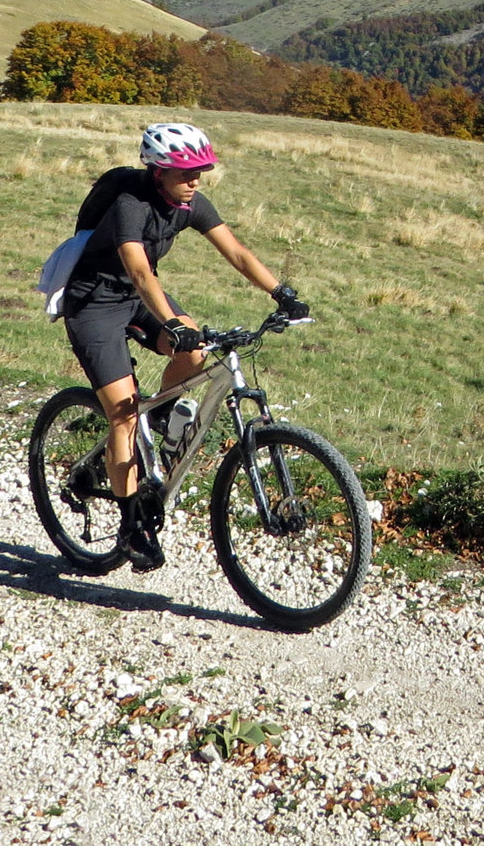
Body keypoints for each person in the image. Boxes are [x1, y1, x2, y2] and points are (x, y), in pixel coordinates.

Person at [61, 121, 308, 571]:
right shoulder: (130, 205)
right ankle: (132, 527)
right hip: (94, 304)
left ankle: (154, 424)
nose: (195, 181)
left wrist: (282, 293)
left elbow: (236, 252)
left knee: (193, 354)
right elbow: (139, 270)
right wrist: (173, 321)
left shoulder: (189, 201)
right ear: (158, 172)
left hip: (137, 300)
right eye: (185, 173)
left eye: (201, 172)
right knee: (122, 412)